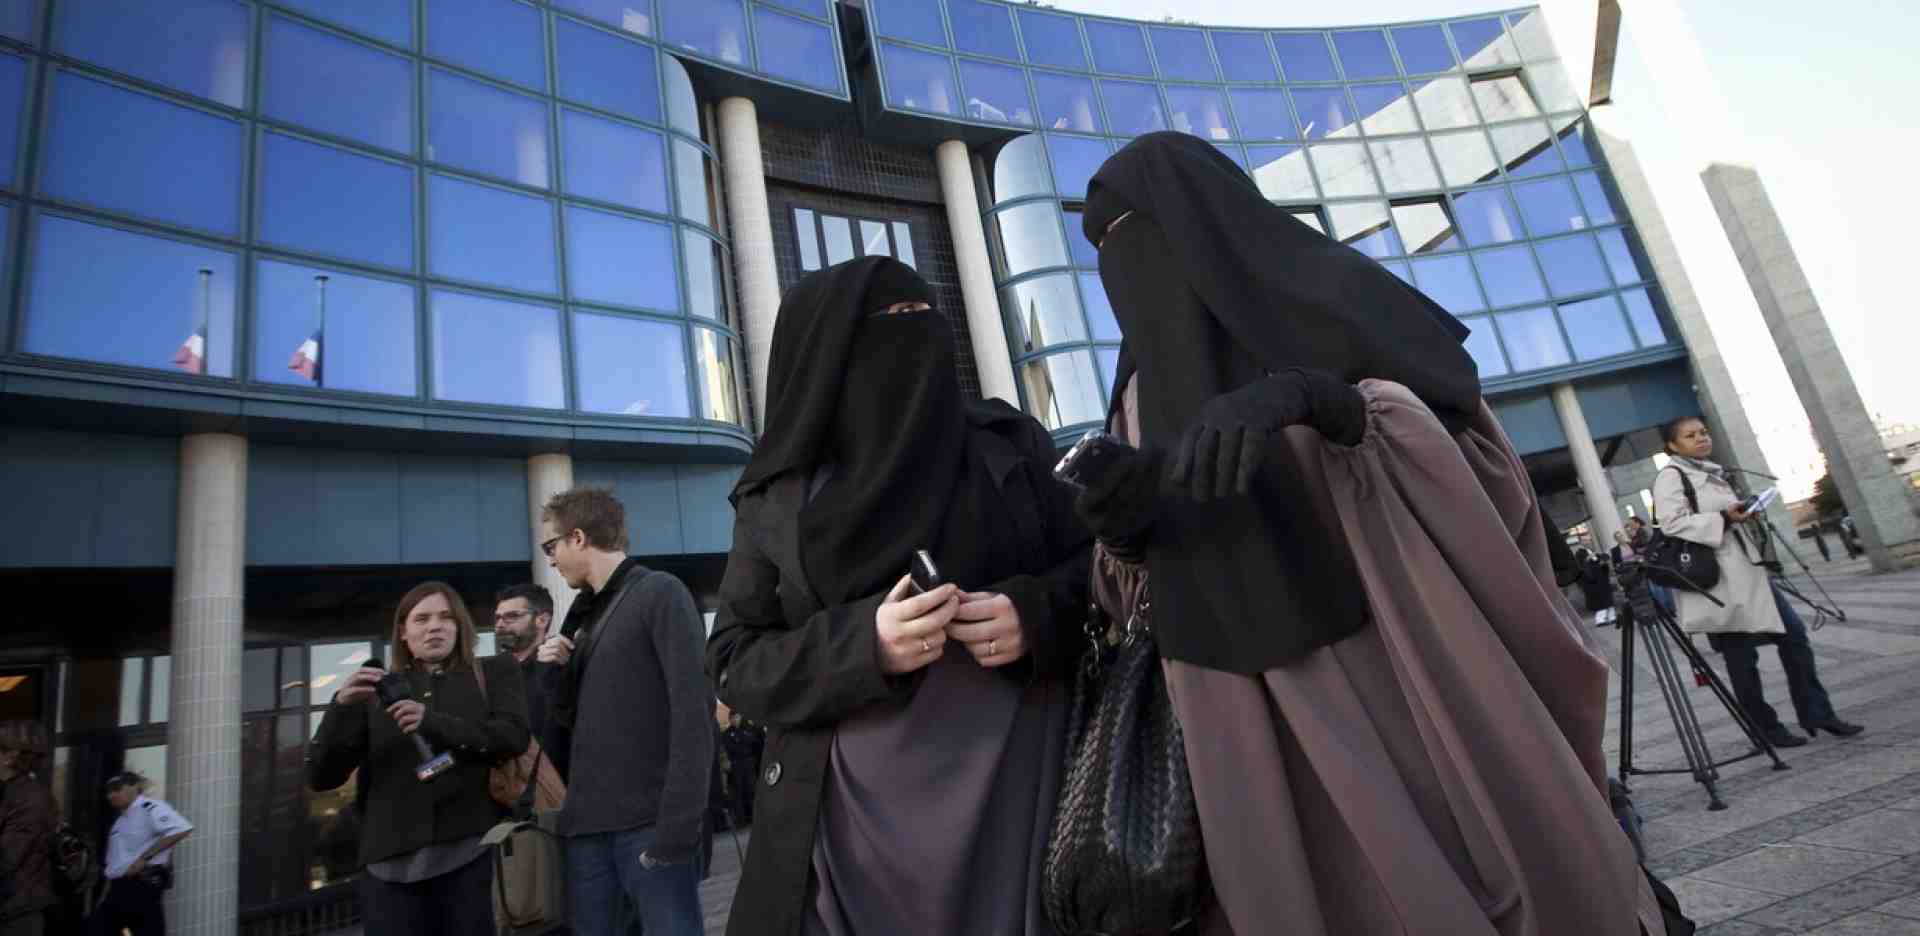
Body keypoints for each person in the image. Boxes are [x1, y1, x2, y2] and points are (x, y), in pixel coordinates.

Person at [1073, 132, 1672, 935]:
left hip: (1410, 665)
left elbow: (1488, 478)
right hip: (1246, 715)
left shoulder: (1335, 306)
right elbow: (1137, 585)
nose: (1122, 258)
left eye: (1131, 231)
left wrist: (1330, 406)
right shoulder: (1137, 394)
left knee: (1504, 865)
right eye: (1102, 246)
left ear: (1198, 217)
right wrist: (1122, 528)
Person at [706, 257, 1092, 936]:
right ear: (832, 351)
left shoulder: (1010, 444)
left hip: (1025, 800)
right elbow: (736, 659)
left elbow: (1097, 570)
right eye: (894, 321)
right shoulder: (779, 496)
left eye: (927, 317)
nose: (920, 336)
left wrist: (1034, 614)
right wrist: (866, 645)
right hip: (846, 828)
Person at [534, 486, 712, 936]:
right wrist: (555, 672)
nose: (550, 559)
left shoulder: (659, 592)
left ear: (577, 538)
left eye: (550, 546)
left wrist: (678, 826)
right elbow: (569, 725)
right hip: (587, 830)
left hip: (650, 827)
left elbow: (693, 713)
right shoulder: (584, 617)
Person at [307, 581, 529, 936]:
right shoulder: (373, 692)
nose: (434, 626)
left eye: (445, 617)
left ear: (460, 626)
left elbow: (512, 737)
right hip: (388, 871)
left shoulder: (494, 672)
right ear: (404, 632)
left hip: (472, 857)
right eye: (421, 619)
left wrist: (432, 722)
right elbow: (321, 777)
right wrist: (339, 709)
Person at [1655, 417, 1862, 747]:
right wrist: (1724, 518)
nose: (1700, 438)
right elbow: (1671, 523)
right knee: (1741, 658)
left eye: (1703, 433)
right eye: (1690, 435)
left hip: (1749, 572)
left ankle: (1816, 712)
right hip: (1719, 582)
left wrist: (1742, 513)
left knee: (1794, 636)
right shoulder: (1671, 477)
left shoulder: (1712, 472)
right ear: (1672, 446)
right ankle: (1765, 728)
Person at [88, 772, 191, 936]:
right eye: (108, 791)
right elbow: (113, 865)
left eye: (116, 789)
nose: (111, 795)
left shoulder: (149, 807)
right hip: (117, 890)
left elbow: (181, 829)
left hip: (141, 886)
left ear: (134, 786)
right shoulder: (119, 822)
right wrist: (103, 895)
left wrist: (144, 859)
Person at [493, 583, 568, 781]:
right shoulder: (490, 674)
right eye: (498, 617)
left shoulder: (563, 665)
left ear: (542, 619)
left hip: (556, 789)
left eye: (511, 616)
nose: (500, 624)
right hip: (503, 793)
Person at [1, 720, 56, 936]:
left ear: (9, 756)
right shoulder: (10, 792)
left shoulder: (31, 798)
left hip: (16, 915)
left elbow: (7, 857)